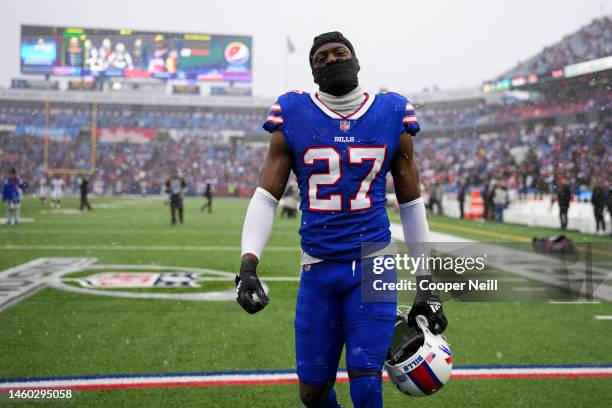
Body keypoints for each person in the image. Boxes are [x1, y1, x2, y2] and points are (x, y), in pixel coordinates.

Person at [235, 32, 447, 408]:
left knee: (366, 378)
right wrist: (248, 263)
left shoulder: (392, 112)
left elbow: (411, 204)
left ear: (356, 59)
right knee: (313, 391)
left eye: (340, 52)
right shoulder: (294, 112)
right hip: (317, 267)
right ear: (312, 70)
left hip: (373, 263)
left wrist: (426, 282)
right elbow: (266, 196)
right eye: (321, 57)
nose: (331, 60)